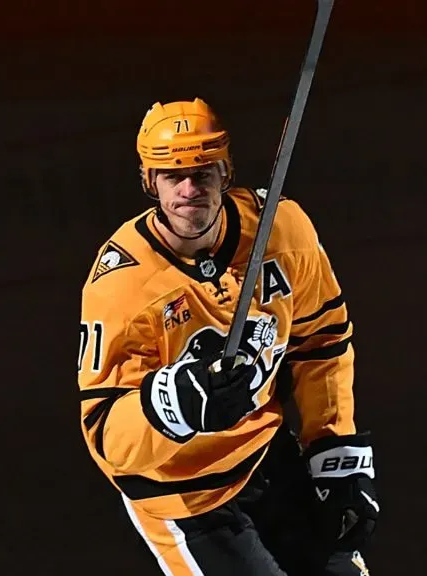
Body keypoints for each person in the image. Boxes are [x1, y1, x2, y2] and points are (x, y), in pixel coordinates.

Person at [77, 97, 379, 575]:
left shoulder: (282, 229)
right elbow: (105, 433)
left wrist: (333, 450)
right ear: (149, 182)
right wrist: (169, 406)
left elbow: (322, 341)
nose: (189, 189)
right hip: (185, 499)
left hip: (266, 459)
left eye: (203, 172)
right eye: (172, 176)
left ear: (227, 171)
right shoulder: (123, 284)